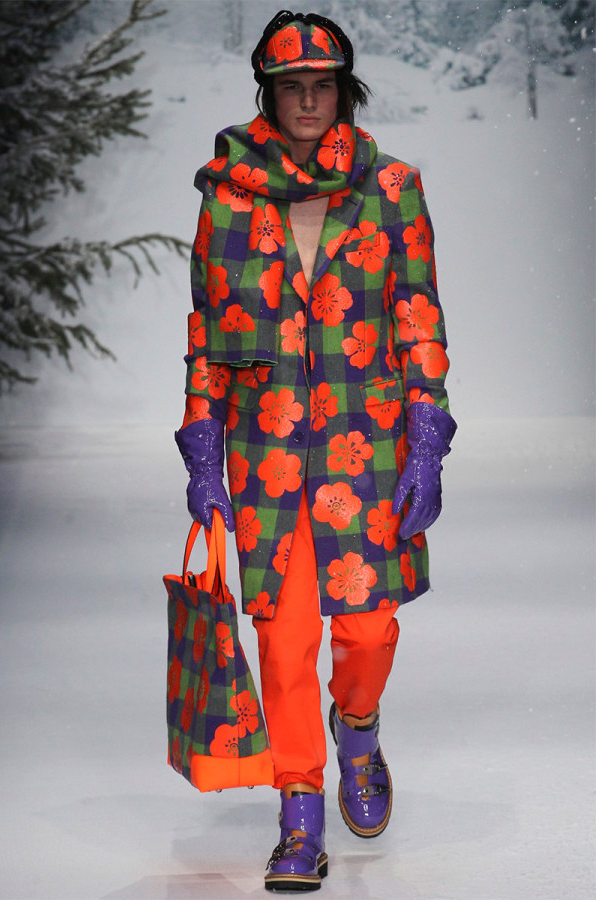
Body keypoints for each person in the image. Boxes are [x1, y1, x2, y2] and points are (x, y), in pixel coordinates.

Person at [175, 10, 456, 893]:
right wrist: (203, 447)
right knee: (284, 639)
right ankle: (299, 812)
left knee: (368, 630)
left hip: (363, 445)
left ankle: (358, 728)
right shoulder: (228, 192)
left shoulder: (392, 186)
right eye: (291, 87)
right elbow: (207, 328)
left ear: (343, 90)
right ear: (267, 93)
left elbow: (418, 315)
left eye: (322, 85)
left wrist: (427, 436)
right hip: (265, 450)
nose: (307, 101)